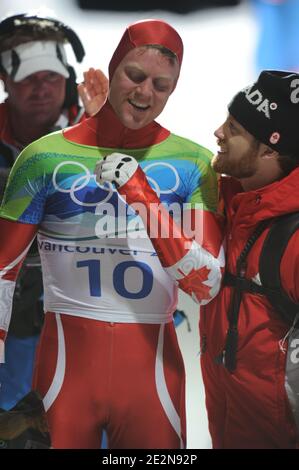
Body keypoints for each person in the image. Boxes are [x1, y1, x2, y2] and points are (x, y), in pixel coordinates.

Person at [0, 19, 224, 449]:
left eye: (161, 85)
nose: (144, 94)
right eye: (135, 76)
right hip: (64, 372)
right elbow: (2, 271)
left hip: (152, 378)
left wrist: (140, 193)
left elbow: (207, 284)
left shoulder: (192, 163)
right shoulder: (45, 157)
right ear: (114, 66)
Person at [103, 70, 299, 448]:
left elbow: (200, 282)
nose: (218, 133)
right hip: (228, 423)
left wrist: (141, 194)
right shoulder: (227, 198)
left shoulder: (292, 237)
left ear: (271, 150)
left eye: (235, 128)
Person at [0, 13, 107, 412]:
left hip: (88, 322)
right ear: (5, 80)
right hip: (11, 328)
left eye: (51, 76)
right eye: (29, 78)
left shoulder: (107, 134)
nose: (42, 89)